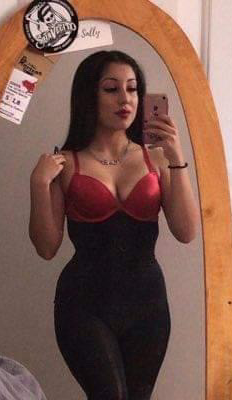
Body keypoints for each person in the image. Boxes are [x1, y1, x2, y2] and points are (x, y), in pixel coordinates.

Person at [29, 50, 199, 400]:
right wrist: (38, 184)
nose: (125, 99)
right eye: (111, 89)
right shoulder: (65, 163)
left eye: (133, 89)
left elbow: (186, 232)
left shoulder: (158, 159)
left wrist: (177, 157)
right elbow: (46, 248)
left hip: (148, 304)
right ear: (89, 95)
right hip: (84, 304)